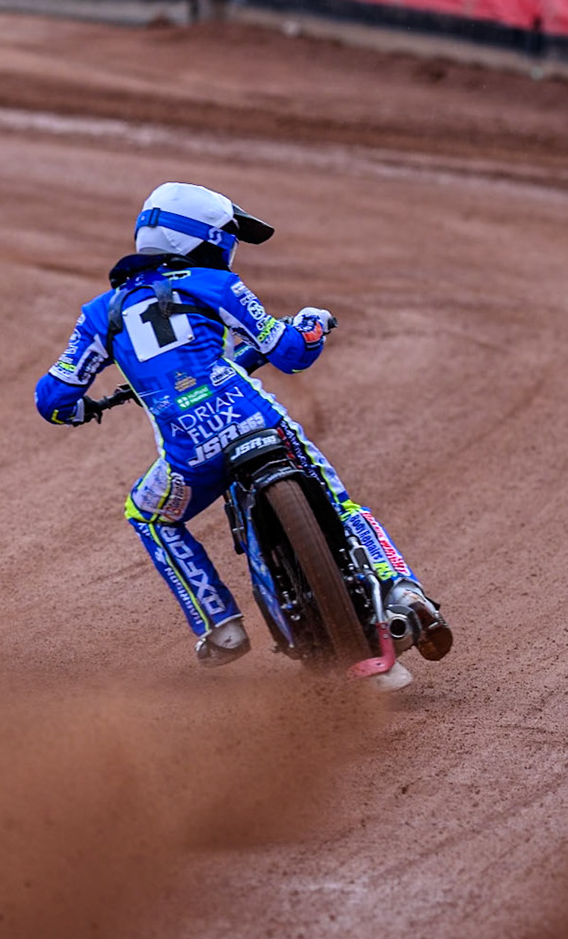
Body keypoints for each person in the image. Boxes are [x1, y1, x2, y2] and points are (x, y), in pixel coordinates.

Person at [35, 181, 451, 672]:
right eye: (225, 235)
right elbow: (291, 354)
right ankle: (402, 587)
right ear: (197, 238)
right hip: (257, 422)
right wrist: (312, 325)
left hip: (190, 457)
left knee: (148, 514)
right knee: (340, 504)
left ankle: (221, 625)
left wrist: (82, 411)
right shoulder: (214, 285)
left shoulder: (99, 315)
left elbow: (53, 398)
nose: (229, 245)